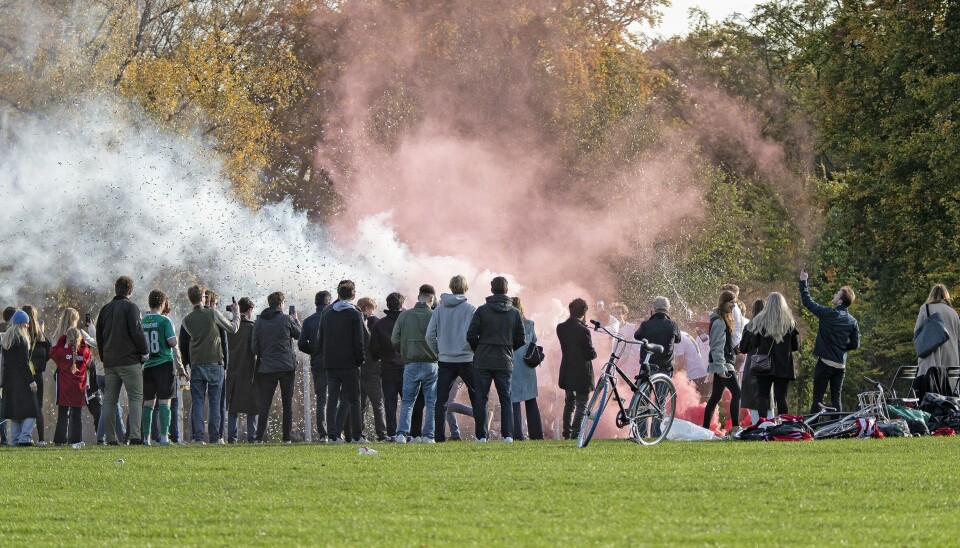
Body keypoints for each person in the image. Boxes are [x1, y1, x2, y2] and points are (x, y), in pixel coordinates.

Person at [180, 284, 239, 445]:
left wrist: (186, 365)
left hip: (196, 364)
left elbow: (183, 345)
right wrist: (236, 313)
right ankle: (215, 437)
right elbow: (233, 328)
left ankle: (198, 437)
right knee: (214, 402)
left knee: (198, 402)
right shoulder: (213, 313)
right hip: (215, 364)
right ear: (203, 298)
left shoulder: (186, 320)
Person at [468, 277, 525, 443]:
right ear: (506, 290)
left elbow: (471, 335)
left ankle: (481, 436)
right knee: (506, 398)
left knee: (481, 398)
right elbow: (521, 338)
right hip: (504, 360)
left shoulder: (482, 310)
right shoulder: (514, 313)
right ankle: (508, 435)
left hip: (483, 360)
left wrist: (479, 349)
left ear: (491, 290)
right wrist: (508, 348)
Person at [96, 276, 149, 445]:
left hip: (110, 362)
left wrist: (104, 357)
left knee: (110, 400)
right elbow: (136, 331)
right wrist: (144, 351)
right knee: (135, 397)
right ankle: (135, 436)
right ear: (130, 291)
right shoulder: (131, 307)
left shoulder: (105, 309)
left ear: (116, 289)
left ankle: (110, 438)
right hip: (129, 361)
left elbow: (99, 336)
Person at [426, 275, 479, 443]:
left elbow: (429, 335)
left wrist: (438, 352)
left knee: (441, 400)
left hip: (446, 360)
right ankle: (481, 435)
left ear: (451, 287)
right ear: (466, 288)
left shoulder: (438, 310)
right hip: (467, 359)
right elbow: (475, 335)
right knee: (476, 396)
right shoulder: (471, 309)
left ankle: (439, 437)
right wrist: (473, 350)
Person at [800, 268, 859, 413]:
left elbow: (808, 302)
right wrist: (842, 347)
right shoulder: (852, 321)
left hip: (825, 363)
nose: (834, 294)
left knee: (818, 399)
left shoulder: (828, 313)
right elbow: (855, 344)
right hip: (840, 365)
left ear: (840, 301)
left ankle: (812, 425)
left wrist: (803, 281)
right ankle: (837, 426)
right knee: (836, 399)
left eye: (837, 293)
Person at [319, 281, 368, 444]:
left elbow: (320, 338)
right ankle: (357, 436)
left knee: (332, 400)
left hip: (330, 362)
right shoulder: (354, 313)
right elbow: (359, 340)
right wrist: (360, 359)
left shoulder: (327, 312)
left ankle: (332, 436)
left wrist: (325, 357)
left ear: (338, 294)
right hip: (349, 362)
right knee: (354, 400)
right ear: (353, 295)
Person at [392, 284, 440, 443]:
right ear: (432, 298)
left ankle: (401, 434)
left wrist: (405, 353)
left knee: (407, 401)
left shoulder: (404, 316)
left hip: (411, 363)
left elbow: (395, 340)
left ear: (419, 296)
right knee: (431, 402)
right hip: (431, 363)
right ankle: (428, 436)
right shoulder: (435, 315)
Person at [253, 291, 302, 444]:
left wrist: (265, 355)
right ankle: (286, 438)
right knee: (287, 404)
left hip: (267, 367)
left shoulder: (259, 321)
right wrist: (296, 320)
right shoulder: (286, 319)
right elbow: (300, 335)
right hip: (286, 367)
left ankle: (259, 437)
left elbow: (254, 346)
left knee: (264, 404)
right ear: (281, 303)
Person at [741, 292, 800, 418]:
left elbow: (755, 343)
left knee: (762, 396)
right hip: (783, 365)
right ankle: (784, 423)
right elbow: (795, 346)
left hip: (764, 363)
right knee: (781, 398)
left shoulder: (759, 321)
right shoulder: (790, 323)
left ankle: (763, 424)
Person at [140, 291, 184, 446]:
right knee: (165, 401)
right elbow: (172, 342)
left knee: (148, 403)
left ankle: (146, 438)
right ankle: (164, 437)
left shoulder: (143, 321)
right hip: (164, 364)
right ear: (163, 303)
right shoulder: (165, 321)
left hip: (148, 365)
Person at [50, 310, 92, 447]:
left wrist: (62, 340)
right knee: (77, 413)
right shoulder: (83, 352)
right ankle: (76, 439)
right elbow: (88, 354)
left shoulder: (60, 346)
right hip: (78, 384)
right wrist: (82, 341)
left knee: (63, 412)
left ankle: (60, 440)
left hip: (64, 380)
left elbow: (53, 353)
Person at [702, 290, 741, 435]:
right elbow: (717, 347)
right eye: (731, 302)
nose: (733, 305)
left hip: (723, 363)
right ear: (723, 303)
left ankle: (704, 429)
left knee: (715, 397)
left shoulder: (722, 319)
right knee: (737, 393)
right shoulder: (719, 321)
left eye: (735, 302)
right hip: (723, 364)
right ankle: (735, 427)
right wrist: (720, 368)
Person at [557, 298, 596, 440]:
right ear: (584, 312)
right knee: (581, 404)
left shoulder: (561, 327)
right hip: (582, 372)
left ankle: (566, 432)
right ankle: (576, 433)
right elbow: (589, 354)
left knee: (569, 403)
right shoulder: (583, 330)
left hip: (567, 370)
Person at [369, 292, 405, 440]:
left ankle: (391, 433)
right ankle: (407, 432)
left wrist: (379, 357)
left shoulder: (379, 324)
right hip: (406, 367)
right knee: (408, 402)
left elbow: (373, 348)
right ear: (401, 305)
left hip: (387, 368)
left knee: (390, 403)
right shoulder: (406, 322)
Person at [298, 290, 332, 441]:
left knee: (321, 400)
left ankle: (323, 434)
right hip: (334, 363)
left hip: (318, 363)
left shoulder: (308, 321)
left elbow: (301, 344)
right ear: (329, 303)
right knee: (335, 398)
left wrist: (313, 350)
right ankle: (336, 432)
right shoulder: (333, 318)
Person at [1, 310, 39, 445]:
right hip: (21, 380)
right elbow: (23, 364)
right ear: (21, 324)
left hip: (9, 381)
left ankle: (15, 440)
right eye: (26, 323)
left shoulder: (7, 340)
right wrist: (31, 381)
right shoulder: (22, 339)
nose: (28, 326)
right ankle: (25, 438)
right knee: (32, 410)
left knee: (15, 412)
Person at [226, 298, 259, 443]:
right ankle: (252, 437)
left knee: (232, 405)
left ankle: (232, 437)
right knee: (253, 404)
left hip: (231, 369)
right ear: (250, 310)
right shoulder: (253, 327)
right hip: (249, 369)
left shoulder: (229, 326)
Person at [509, 297, 542, 440]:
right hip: (528, 365)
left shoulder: (508, 324)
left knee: (514, 401)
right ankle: (536, 434)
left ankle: (517, 434)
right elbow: (534, 340)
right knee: (531, 400)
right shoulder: (530, 324)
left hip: (513, 365)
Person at [357, 297, 387, 441]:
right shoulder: (376, 322)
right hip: (373, 368)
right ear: (368, 308)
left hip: (358, 368)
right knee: (378, 403)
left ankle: (359, 434)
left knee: (360, 405)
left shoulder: (355, 322)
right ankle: (382, 434)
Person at [22, 305, 51, 445]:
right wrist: (39, 364)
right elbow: (49, 352)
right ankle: (41, 439)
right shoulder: (41, 336)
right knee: (38, 406)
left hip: (23, 374)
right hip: (37, 374)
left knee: (23, 405)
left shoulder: (21, 332)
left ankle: (24, 436)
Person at [916, 284, 960, 375]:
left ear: (932, 295)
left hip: (933, 353)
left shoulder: (926, 308)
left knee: (932, 382)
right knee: (949, 383)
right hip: (952, 357)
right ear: (946, 295)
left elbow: (917, 332)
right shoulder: (953, 313)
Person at [635, 297, 681, 377]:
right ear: (668, 309)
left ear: (654, 308)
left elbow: (637, 336)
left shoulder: (646, 324)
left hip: (647, 365)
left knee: (642, 384)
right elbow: (678, 340)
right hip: (665, 367)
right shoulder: (673, 325)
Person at [738, 299, 766, 424]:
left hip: (752, 362)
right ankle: (769, 422)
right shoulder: (770, 325)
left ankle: (756, 424)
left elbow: (743, 348)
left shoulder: (750, 326)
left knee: (753, 396)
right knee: (767, 395)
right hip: (768, 362)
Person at [0, 306, 15, 445]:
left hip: (4, 374)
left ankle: (5, 439)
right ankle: (4, 439)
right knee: (3, 407)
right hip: (5, 375)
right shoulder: (11, 331)